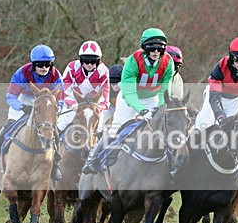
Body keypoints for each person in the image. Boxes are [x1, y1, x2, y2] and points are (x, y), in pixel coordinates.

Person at [82, 28, 174, 174]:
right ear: (145, 47)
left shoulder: (168, 62)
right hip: (128, 99)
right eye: (152, 48)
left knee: (163, 128)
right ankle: (93, 158)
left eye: (160, 48)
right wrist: (142, 111)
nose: (156, 52)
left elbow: (164, 91)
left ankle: (172, 166)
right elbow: (130, 93)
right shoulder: (133, 61)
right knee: (115, 130)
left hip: (152, 98)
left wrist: (160, 108)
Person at [194, 36, 238, 194]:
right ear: (232, 57)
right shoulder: (220, 66)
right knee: (201, 125)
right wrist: (220, 117)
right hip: (216, 97)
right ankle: (184, 166)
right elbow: (214, 97)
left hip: (237, 100)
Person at [0, 44, 64, 177]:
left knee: (54, 130)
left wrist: (55, 110)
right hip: (23, 100)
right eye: (40, 64)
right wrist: (21, 106)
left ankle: (55, 164)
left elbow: (60, 100)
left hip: (44, 104)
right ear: (33, 64)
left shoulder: (56, 76)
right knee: (9, 125)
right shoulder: (22, 73)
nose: (44, 68)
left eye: (47, 64)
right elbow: (10, 97)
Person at [58, 40, 110, 135]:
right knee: (61, 125)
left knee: (99, 129)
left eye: (93, 61)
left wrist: (99, 107)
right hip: (74, 103)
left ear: (98, 61)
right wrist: (73, 104)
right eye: (86, 61)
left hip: (94, 104)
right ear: (81, 60)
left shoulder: (104, 71)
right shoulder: (72, 67)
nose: (89, 64)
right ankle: (55, 147)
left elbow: (105, 98)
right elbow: (64, 91)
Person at [101, 63, 124, 130]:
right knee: (101, 120)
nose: (115, 86)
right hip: (110, 105)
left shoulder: (126, 88)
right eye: (113, 83)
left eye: (118, 83)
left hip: (123, 107)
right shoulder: (105, 87)